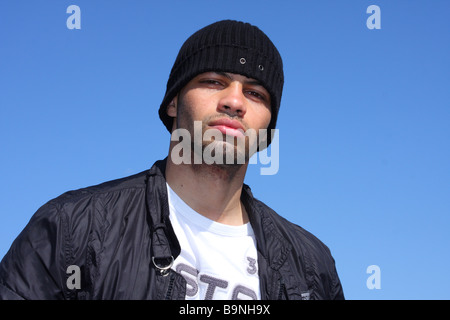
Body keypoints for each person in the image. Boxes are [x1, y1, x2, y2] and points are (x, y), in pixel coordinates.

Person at [0, 20, 344, 300]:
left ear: (267, 127)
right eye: (213, 81)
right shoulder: (73, 227)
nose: (234, 102)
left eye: (255, 93)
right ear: (173, 103)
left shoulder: (311, 265)